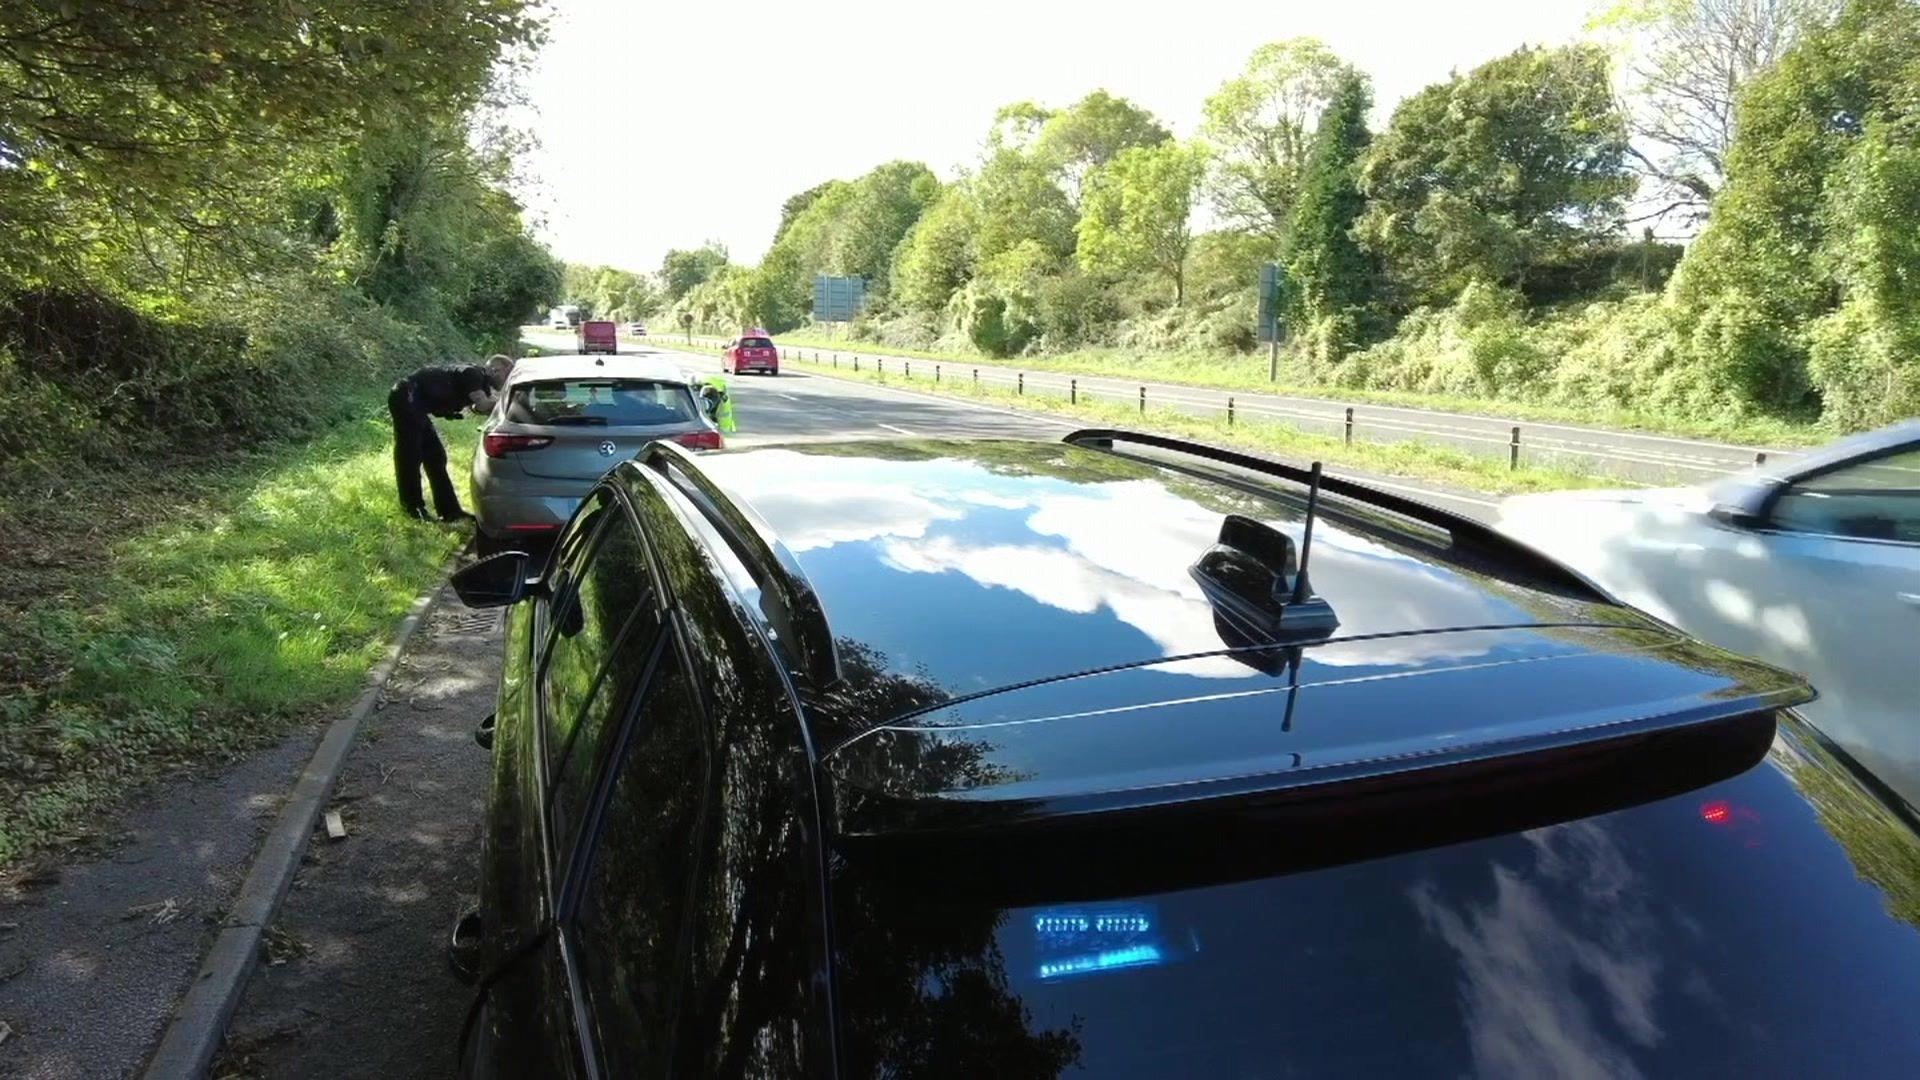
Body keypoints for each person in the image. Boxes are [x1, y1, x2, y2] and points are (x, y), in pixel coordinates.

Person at [389, 354, 514, 521]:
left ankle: (450, 511)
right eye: (509, 375)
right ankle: (413, 509)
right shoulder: (473, 374)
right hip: (407, 396)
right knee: (410, 456)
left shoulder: (480, 382)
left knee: (436, 457)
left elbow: (479, 408)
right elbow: (484, 404)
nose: (508, 382)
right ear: (497, 370)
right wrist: (513, 402)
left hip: (416, 404)